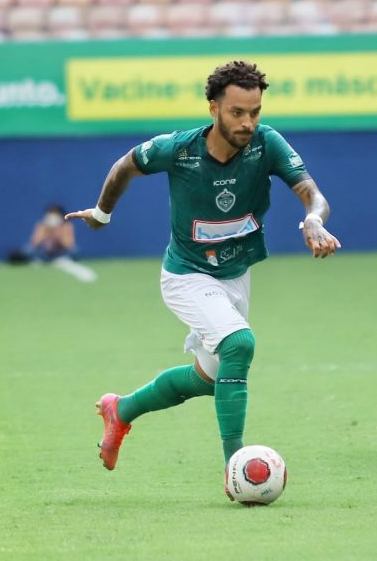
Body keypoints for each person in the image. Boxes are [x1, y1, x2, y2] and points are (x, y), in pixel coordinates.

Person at [66, 60, 341, 476]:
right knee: (239, 345)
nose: (248, 122)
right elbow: (125, 165)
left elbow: (310, 192)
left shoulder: (268, 144)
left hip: (235, 275)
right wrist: (102, 214)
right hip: (187, 275)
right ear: (213, 108)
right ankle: (236, 466)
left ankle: (120, 410)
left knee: (209, 379)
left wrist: (314, 219)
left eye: (255, 112)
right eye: (237, 113)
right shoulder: (178, 149)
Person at [12, 204, 97, 282]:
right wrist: (46, 232)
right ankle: (36, 261)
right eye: (50, 213)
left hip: (60, 254)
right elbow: (34, 243)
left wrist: (57, 232)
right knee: (28, 250)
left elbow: (69, 245)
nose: (52, 216)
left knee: (74, 251)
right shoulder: (42, 225)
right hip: (43, 253)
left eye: (55, 213)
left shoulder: (66, 226)